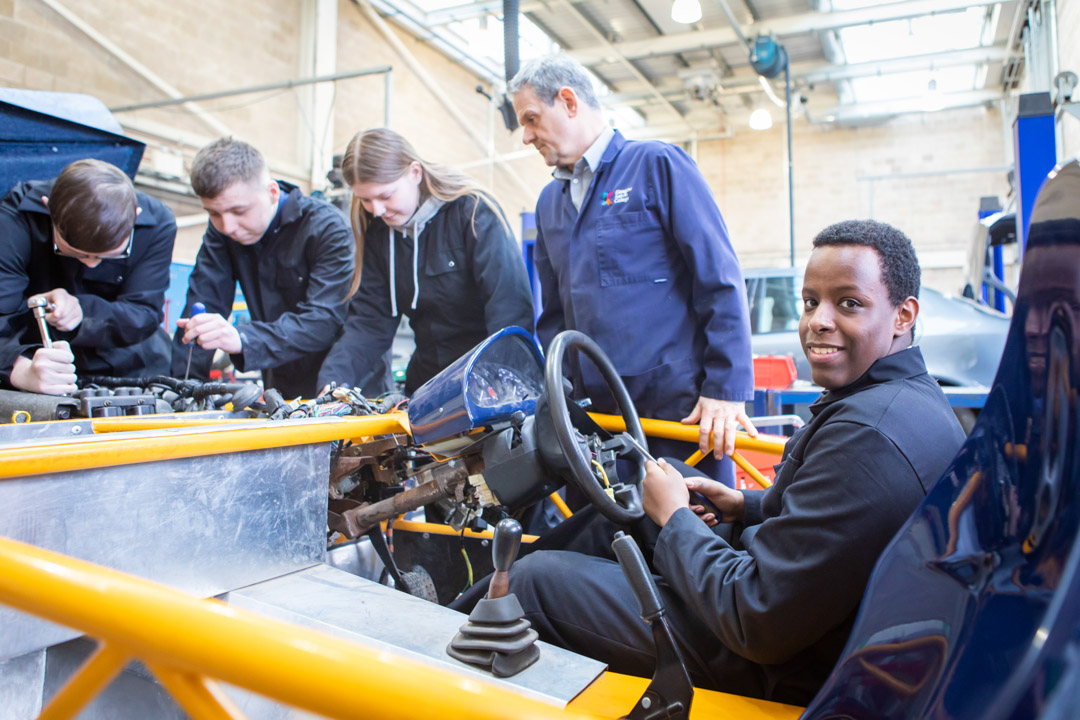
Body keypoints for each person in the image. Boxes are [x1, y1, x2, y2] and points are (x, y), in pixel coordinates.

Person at [454, 220, 967, 706]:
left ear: (903, 315)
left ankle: (437, 648)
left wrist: (677, 518)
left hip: (780, 662)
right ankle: (452, 614)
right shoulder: (903, 398)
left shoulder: (868, 438)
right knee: (641, 498)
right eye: (811, 302)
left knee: (536, 584)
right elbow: (838, 517)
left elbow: (755, 619)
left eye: (848, 303)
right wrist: (745, 504)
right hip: (808, 617)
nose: (818, 321)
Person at [509, 55, 755, 483]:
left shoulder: (657, 165)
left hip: (678, 413)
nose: (527, 136)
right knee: (603, 523)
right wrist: (558, 397)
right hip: (596, 422)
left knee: (692, 521)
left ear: (568, 101)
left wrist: (725, 389)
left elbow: (718, 278)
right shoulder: (550, 203)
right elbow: (554, 316)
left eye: (531, 119)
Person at [317, 129, 535, 395]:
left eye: (386, 196)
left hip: (485, 379)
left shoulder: (472, 212)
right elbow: (369, 323)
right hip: (426, 383)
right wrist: (332, 381)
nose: (377, 210)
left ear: (415, 173)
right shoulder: (379, 233)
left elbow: (510, 308)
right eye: (365, 200)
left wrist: (500, 383)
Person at [171, 138, 355, 399]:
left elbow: (323, 320)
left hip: (343, 383)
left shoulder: (328, 228)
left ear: (272, 192)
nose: (228, 226)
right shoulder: (222, 233)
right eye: (214, 213)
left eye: (239, 211)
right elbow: (204, 303)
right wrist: (183, 389)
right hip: (280, 383)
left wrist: (243, 339)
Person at [0, 158, 176, 395]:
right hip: (37, 363)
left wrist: (82, 311)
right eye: (74, 252)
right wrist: (18, 369)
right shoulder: (15, 216)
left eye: (109, 255)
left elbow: (143, 312)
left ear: (135, 217)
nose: (90, 263)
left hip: (131, 366)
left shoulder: (158, 224)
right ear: (48, 209)